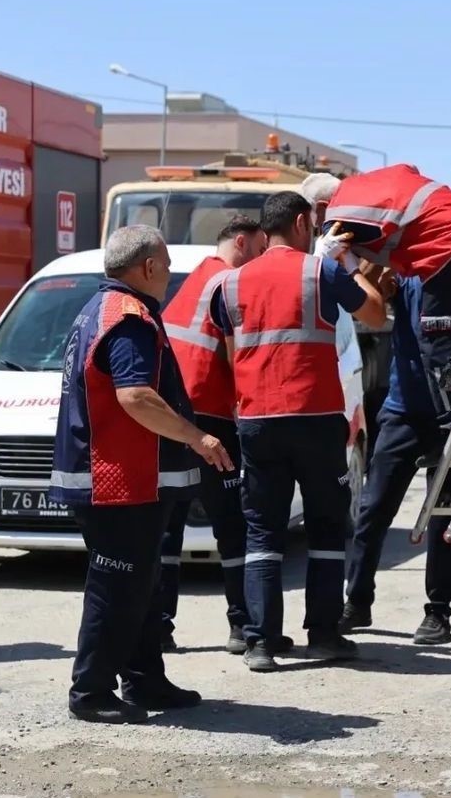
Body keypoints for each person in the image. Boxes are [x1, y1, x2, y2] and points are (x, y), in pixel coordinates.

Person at [49, 225, 233, 724]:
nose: (169, 276)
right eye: (167, 266)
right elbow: (134, 396)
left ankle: (144, 678)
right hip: (116, 480)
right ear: (148, 267)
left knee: (142, 585)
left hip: (123, 477)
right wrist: (197, 437)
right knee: (119, 586)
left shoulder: (101, 308)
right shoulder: (128, 318)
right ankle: (90, 691)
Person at [212, 191, 388, 672]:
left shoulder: (228, 283)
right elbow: (374, 313)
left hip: (257, 420)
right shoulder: (321, 271)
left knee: (262, 533)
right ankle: (324, 635)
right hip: (315, 419)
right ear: (302, 222)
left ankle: (260, 643)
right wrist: (347, 263)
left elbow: (232, 351)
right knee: (327, 530)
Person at [157, 214, 298, 657]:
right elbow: (242, 355)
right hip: (213, 418)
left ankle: (159, 627)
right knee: (232, 526)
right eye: (258, 251)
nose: (260, 261)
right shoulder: (231, 283)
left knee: (168, 528)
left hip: (171, 416)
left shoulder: (195, 276)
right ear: (241, 242)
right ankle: (244, 624)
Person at [301, 165, 451, 434]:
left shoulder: (336, 217)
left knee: (438, 343)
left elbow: (319, 277)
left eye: (314, 222)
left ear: (321, 206)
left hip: (448, 251)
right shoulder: (372, 183)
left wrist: (324, 258)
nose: (318, 229)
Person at [340, 274, 451, 645]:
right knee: (373, 506)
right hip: (404, 410)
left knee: (445, 516)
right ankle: (357, 600)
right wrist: (364, 274)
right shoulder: (404, 272)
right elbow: (372, 296)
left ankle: (438, 611)